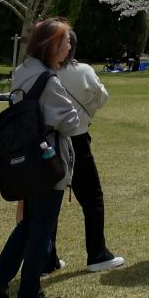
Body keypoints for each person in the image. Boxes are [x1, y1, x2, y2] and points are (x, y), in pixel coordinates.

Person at [0, 19, 83, 298]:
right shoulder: (48, 80)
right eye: (64, 42)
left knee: (28, 224)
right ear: (51, 46)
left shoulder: (23, 71)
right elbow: (71, 122)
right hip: (47, 160)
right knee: (41, 227)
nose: (68, 47)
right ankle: (28, 296)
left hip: (24, 158)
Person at [55, 31, 124, 272]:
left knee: (48, 201)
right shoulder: (83, 70)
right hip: (77, 137)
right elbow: (102, 97)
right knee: (93, 199)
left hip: (48, 140)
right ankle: (97, 253)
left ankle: (46, 255)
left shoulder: (39, 71)